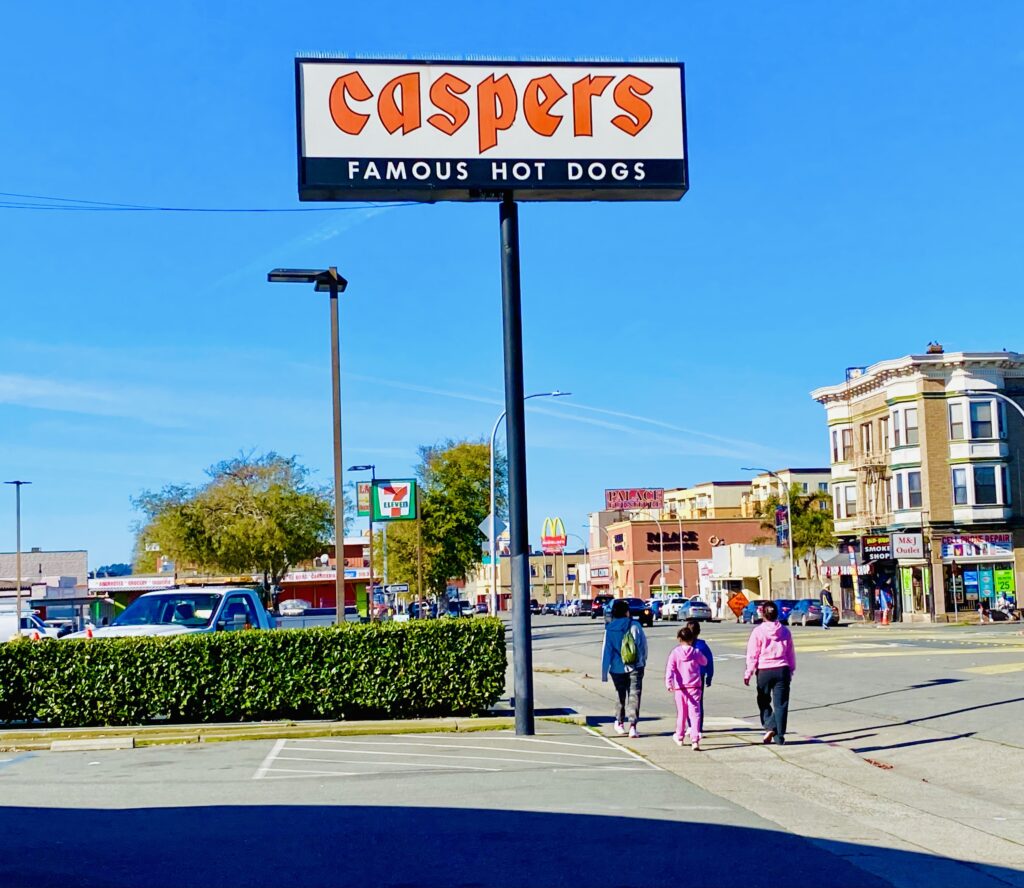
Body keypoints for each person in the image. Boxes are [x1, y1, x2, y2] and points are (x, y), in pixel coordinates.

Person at [744, 601, 797, 745]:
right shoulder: (785, 631)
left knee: (763, 700)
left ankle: (769, 725)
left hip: (764, 670)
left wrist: (748, 672)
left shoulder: (758, 632)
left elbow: (752, 654)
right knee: (781, 704)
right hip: (782, 669)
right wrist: (791, 670)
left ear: (762, 614)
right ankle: (779, 737)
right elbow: (790, 653)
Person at [601, 599, 648, 738]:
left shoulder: (609, 629)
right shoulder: (635, 626)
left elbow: (606, 651)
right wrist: (642, 662)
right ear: (627, 612)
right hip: (635, 666)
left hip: (616, 668)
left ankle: (619, 722)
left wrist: (604, 672)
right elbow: (643, 647)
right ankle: (633, 726)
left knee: (620, 693)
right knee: (634, 694)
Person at [665, 625, 707, 751]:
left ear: (679, 639)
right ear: (691, 639)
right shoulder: (695, 652)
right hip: (694, 686)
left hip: (680, 687)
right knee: (695, 714)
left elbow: (670, 668)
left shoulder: (675, 653)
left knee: (681, 714)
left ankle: (680, 736)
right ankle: (695, 740)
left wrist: (669, 682)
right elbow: (704, 662)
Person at [685, 618, 714, 734]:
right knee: (698, 702)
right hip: (699, 677)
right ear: (699, 631)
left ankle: (691, 725)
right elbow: (709, 662)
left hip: (687, 678)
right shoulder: (702, 646)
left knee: (687, 701)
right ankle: (698, 726)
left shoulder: (684, 647)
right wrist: (710, 676)